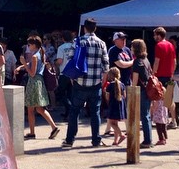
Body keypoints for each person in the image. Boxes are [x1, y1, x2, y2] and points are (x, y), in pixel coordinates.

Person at [62, 18, 109, 148]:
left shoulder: (78, 41)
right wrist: (102, 82)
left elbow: (70, 60)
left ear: (84, 28)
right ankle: (96, 140)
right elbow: (106, 66)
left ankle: (70, 140)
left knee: (74, 111)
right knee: (95, 113)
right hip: (95, 83)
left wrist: (73, 78)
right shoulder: (101, 43)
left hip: (80, 82)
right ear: (95, 28)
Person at [20, 35, 59, 140]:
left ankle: (34, 132)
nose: (28, 46)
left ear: (33, 45)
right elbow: (34, 65)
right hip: (39, 82)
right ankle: (53, 127)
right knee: (39, 108)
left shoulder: (34, 56)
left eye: (29, 44)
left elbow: (32, 73)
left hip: (33, 82)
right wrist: (22, 66)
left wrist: (24, 64)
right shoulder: (41, 54)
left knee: (31, 108)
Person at [103, 31, 133, 136]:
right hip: (116, 83)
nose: (124, 41)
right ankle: (128, 128)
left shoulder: (127, 50)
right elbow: (121, 64)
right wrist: (133, 62)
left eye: (124, 39)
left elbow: (128, 63)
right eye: (121, 39)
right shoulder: (113, 51)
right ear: (115, 40)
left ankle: (108, 129)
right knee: (119, 105)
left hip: (127, 81)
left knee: (124, 105)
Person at [130, 38, 154, 149]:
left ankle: (147, 141)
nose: (130, 49)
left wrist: (131, 92)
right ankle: (149, 139)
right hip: (148, 90)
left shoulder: (137, 62)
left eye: (132, 47)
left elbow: (135, 80)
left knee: (143, 116)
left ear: (136, 49)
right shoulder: (146, 60)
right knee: (147, 115)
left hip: (142, 91)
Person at [104, 67, 126, 145]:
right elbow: (124, 95)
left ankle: (121, 135)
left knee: (111, 122)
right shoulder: (122, 84)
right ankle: (115, 141)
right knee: (115, 123)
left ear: (110, 75)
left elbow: (107, 97)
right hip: (120, 105)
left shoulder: (109, 86)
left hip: (113, 105)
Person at [55, 31, 75, 118]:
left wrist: (55, 63)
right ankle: (68, 113)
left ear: (63, 38)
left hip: (64, 72)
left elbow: (60, 61)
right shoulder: (74, 46)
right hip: (73, 73)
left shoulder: (61, 48)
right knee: (70, 94)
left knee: (61, 93)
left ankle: (69, 108)